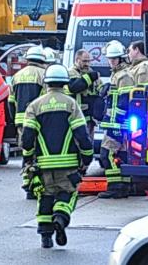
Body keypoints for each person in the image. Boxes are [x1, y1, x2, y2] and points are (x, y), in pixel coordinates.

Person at [20, 64, 94, 249]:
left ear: (46, 83)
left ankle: (46, 236)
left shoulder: (34, 106)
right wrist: (87, 157)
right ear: (64, 83)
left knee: (45, 196)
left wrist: (28, 159)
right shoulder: (71, 104)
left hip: (43, 165)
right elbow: (82, 135)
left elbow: (27, 138)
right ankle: (60, 218)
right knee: (67, 194)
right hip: (68, 165)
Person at [10, 46, 48, 198]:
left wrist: (16, 119)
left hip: (21, 121)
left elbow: (11, 101)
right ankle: (37, 185)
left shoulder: (17, 76)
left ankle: (27, 183)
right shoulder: (44, 75)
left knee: (26, 151)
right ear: (42, 60)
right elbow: (46, 100)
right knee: (39, 153)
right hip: (38, 120)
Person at [97, 41, 133, 198]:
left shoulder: (124, 76)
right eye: (109, 59)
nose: (111, 62)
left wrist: (117, 124)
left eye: (114, 59)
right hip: (114, 122)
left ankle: (115, 187)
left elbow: (124, 101)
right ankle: (123, 186)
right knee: (121, 155)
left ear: (121, 58)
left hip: (117, 122)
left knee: (107, 154)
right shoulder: (117, 74)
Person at [67, 49, 101, 139]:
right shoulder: (71, 72)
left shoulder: (90, 72)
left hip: (90, 118)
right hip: (76, 116)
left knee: (89, 144)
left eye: (89, 61)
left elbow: (99, 88)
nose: (87, 64)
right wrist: (90, 77)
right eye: (84, 61)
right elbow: (75, 87)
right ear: (77, 60)